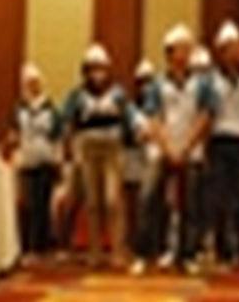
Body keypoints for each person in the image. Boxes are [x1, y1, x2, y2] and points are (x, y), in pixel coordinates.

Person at [186, 20, 239, 270]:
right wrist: (198, 147)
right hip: (219, 142)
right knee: (218, 201)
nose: (235, 52)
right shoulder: (210, 82)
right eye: (229, 48)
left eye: (238, 47)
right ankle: (223, 251)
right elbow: (206, 117)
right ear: (221, 52)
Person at [131, 24, 210, 275]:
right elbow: (154, 119)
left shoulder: (201, 84)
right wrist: (168, 148)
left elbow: (205, 117)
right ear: (170, 53)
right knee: (148, 198)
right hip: (162, 150)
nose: (186, 54)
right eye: (181, 49)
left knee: (191, 204)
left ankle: (187, 255)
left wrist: (186, 147)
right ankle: (144, 254)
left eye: (189, 49)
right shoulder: (156, 85)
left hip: (191, 149)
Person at [61, 43, 145, 267]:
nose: (97, 74)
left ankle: (117, 248)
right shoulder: (77, 96)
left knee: (111, 200)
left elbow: (132, 116)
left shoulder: (117, 94)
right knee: (92, 202)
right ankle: (95, 251)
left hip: (112, 151)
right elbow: (67, 122)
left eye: (101, 68)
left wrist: (139, 130)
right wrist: (68, 149)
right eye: (92, 69)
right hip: (87, 151)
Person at [9, 63, 62, 263]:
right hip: (26, 161)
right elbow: (15, 134)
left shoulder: (50, 109)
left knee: (43, 204)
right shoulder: (19, 109)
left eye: (34, 82)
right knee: (29, 205)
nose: (32, 86)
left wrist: (58, 160)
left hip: (45, 160)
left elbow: (57, 136)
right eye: (28, 83)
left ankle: (42, 246)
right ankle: (29, 246)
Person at [125, 59, 156, 249]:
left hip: (153, 156)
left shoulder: (158, 105)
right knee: (134, 201)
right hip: (133, 157)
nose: (146, 87)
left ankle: (152, 240)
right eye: (142, 82)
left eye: (149, 81)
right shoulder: (130, 108)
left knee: (151, 199)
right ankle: (134, 239)